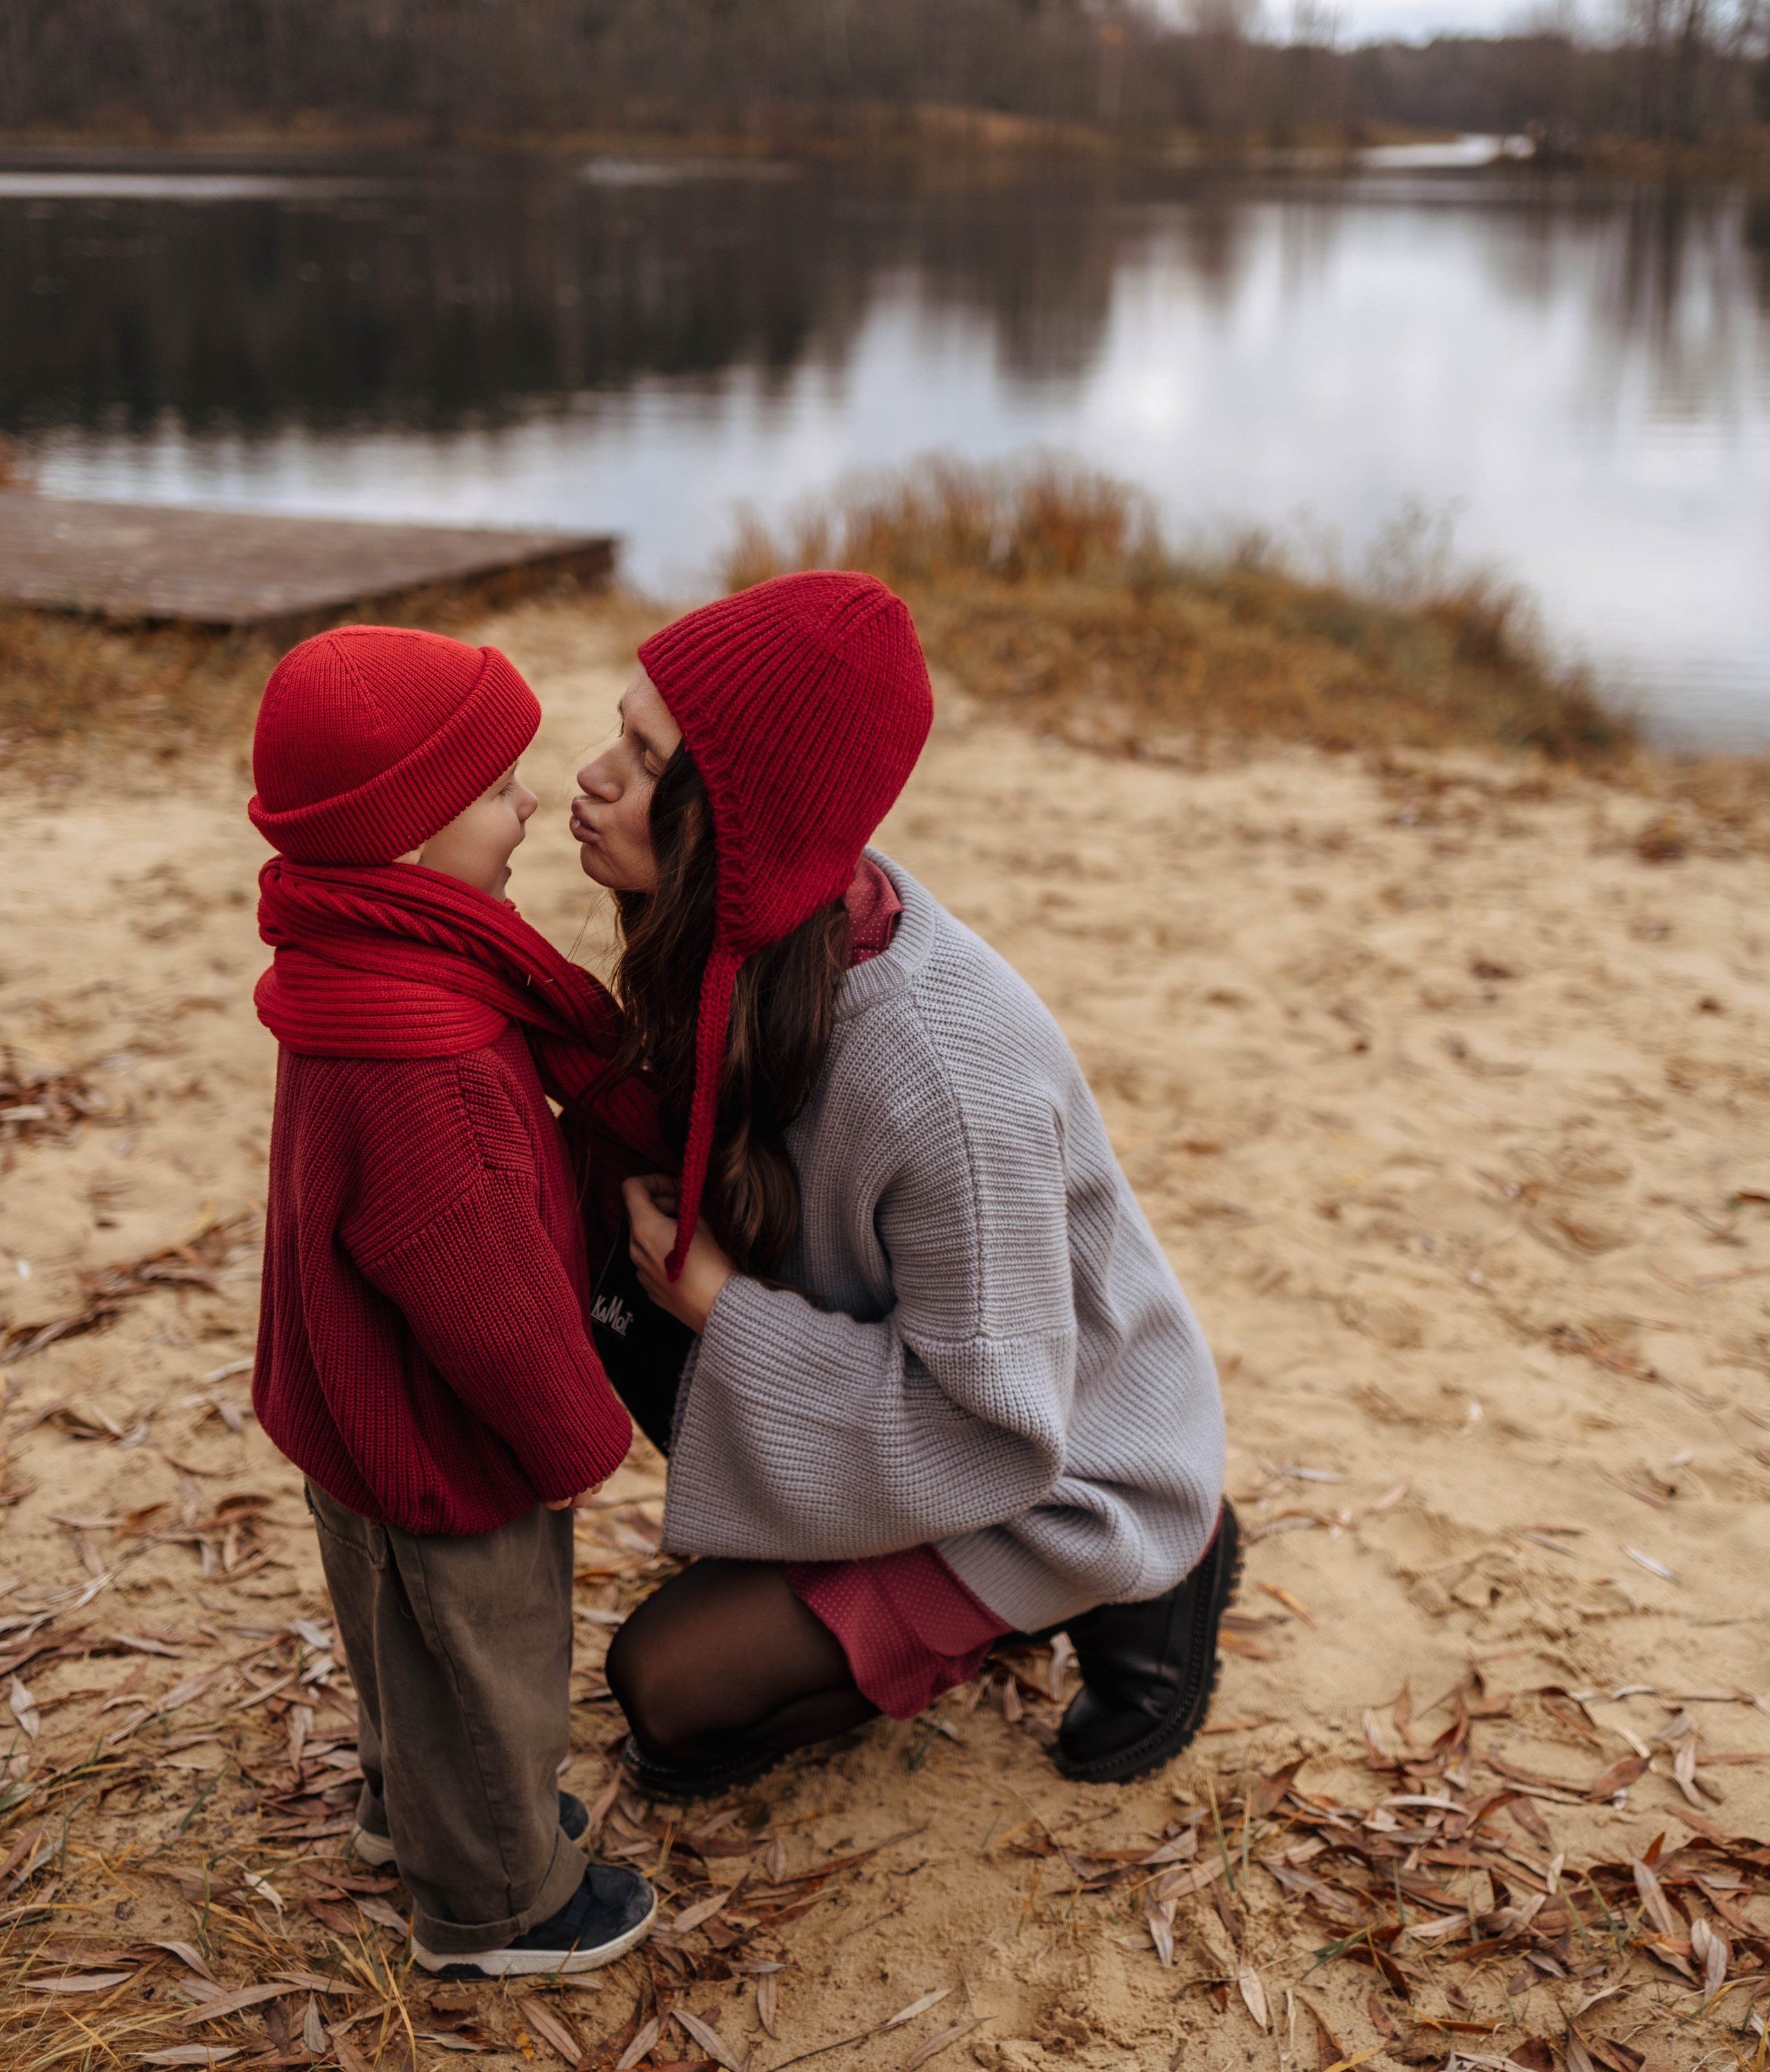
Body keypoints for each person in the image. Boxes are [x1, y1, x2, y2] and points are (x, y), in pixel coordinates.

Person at [568, 570, 1234, 1801]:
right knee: (613, 1290)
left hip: (1055, 1459)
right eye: (620, 730)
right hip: (906, 1372)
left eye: (648, 760)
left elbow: (993, 1427)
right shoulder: (755, 935)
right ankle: (908, 1602)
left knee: (669, 1698)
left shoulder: (940, 1076)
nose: (594, 775)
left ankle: (1153, 1567)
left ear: (743, 815)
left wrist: (717, 1304)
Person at [247, 623, 661, 1976]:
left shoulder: (354, 959)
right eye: (491, 792)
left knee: (396, 1644)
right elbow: (477, 1290)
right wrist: (569, 1440)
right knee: (482, 1656)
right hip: (442, 1433)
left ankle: (399, 1808)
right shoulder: (423, 1046)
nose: (531, 800)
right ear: (402, 844)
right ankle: (497, 1904)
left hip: (349, 1409)